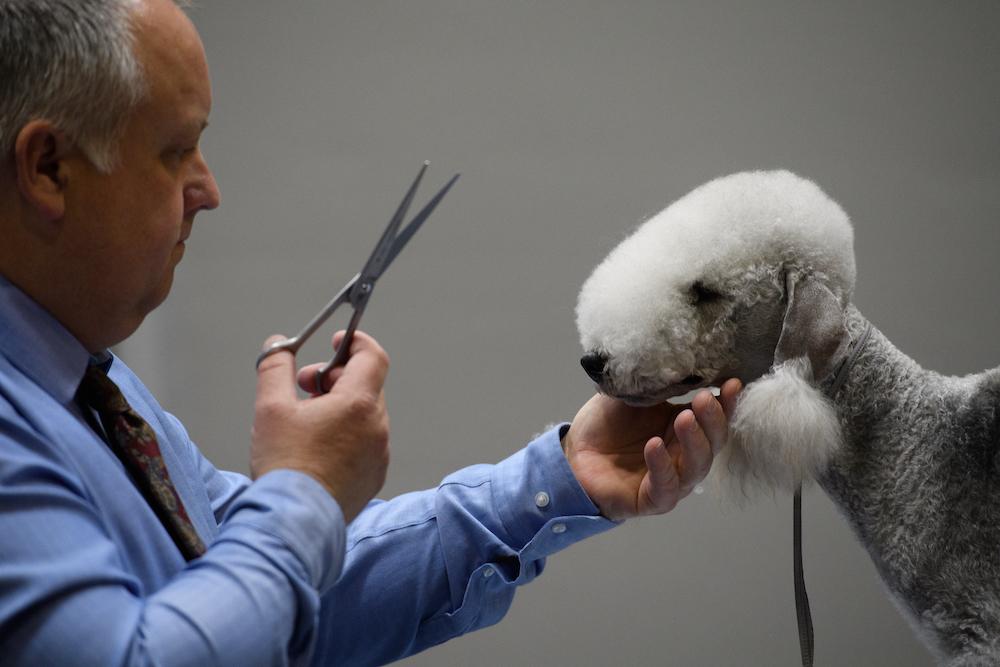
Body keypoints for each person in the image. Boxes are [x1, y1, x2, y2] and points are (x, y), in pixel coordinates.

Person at [0, 0, 741, 664]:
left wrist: (562, 477)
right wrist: (301, 492)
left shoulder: (90, 386)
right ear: (49, 168)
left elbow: (267, 608)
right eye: (176, 150)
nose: (209, 190)